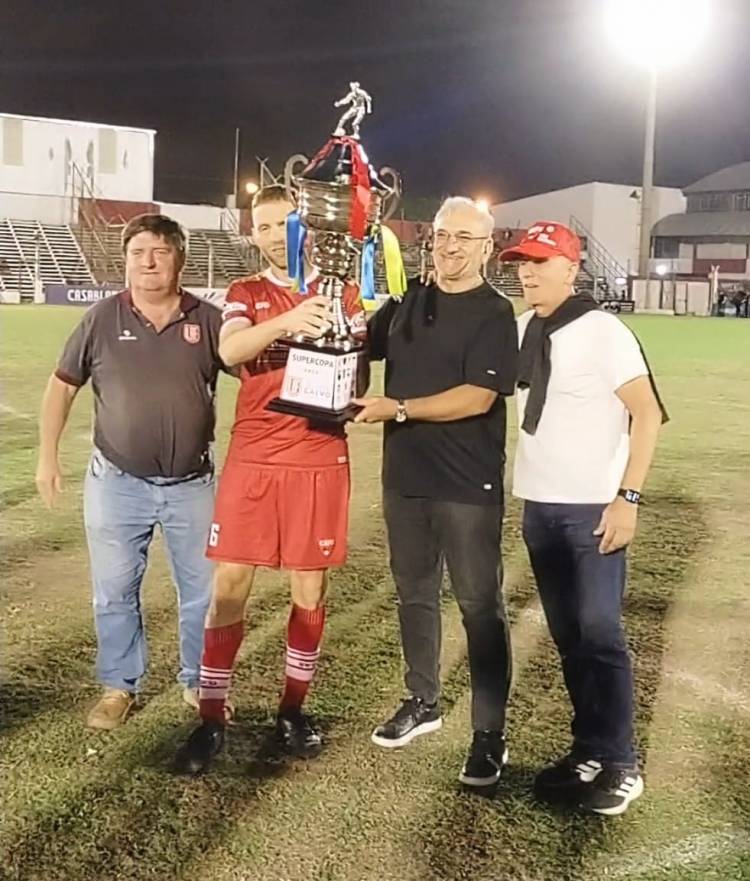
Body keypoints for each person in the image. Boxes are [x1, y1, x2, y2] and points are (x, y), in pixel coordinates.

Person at [177, 184, 366, 774]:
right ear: (252, 232)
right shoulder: (245, 292)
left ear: (308, 226)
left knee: (309, 592)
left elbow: (354, 377)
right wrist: (291, 317)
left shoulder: (344, 293)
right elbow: (233, 351)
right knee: (229, 588)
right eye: (262, 225)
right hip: (255, 458)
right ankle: (211, 717)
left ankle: (292, 710)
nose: (272, 234)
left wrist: (336, 330)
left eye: (284, 222)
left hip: (317, 456)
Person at [499, 221, 666, 816]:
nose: (528, 271)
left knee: (601, 635)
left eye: (542, 261)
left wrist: (629, 498)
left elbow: (647, 415)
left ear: (572, 268)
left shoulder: (603, 331)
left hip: (595, 508)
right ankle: (589, 749)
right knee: (570, 639)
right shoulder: (521, 329)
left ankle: (621, 763)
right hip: (540, 507)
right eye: (522, 261)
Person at [35, 214, 227, 730]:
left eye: (159, 251)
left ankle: (198, 681)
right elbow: (62, 386)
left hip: (193, 485)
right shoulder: (100, 319)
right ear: (125, 261)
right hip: (117, 484)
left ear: (179, 259)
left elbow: (252, 376)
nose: (147, 262)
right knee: (115, 591)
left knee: (203, 593)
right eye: (137, 252)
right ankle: (120, 685)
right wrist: (47, 456)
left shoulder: (208, 320)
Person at [355, 196, 518, 788]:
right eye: (442, 236)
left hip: (467, 484)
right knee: (414, 595)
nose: (449, 247)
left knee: (479, 605)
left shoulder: (494, 313)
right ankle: (423, 700)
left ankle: (489, 734)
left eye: (463, 239)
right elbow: (356, 345)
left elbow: (479, 397)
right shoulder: (406, 301)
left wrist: (397, 408)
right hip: (406, 479)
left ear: (486, 248)